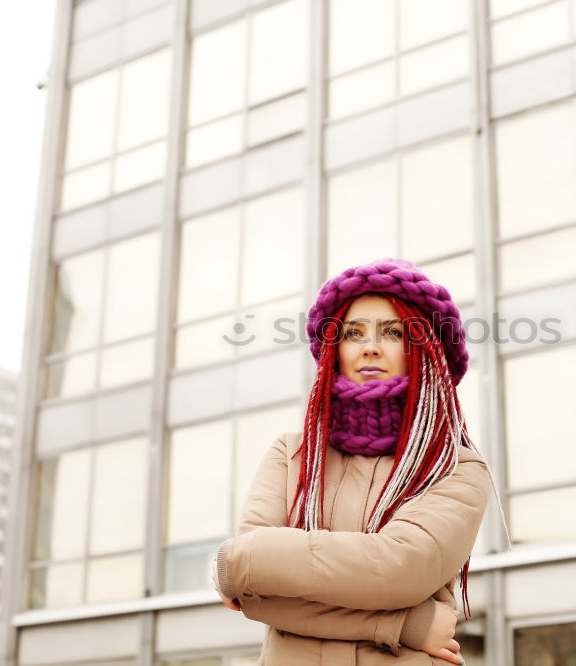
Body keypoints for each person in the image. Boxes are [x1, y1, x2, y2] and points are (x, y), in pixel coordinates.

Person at [211, 258, 499, 665]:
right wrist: (406, 624)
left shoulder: (454, 466)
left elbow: (401, 568)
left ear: (426, 350)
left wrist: (246, 561)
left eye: (394, 332)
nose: (371, 346)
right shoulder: (290, 455)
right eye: (353, 333)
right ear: (335, 350)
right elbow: (253, 594)